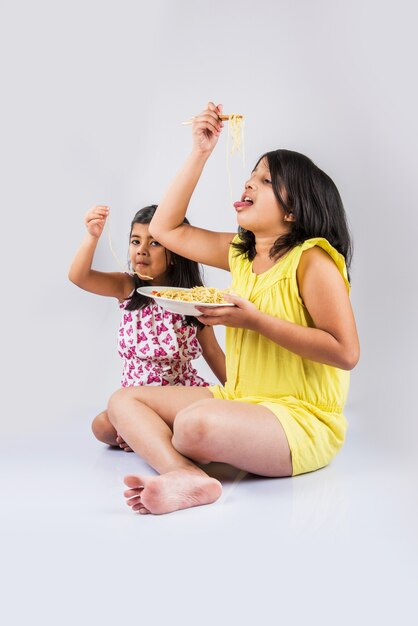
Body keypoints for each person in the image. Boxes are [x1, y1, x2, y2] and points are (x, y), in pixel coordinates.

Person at [106, 102, 360, 515]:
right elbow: (165, 229)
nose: (248, 184)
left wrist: (254, 321)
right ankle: (186, 476)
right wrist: (200, 151)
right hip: (241, 399)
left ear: (292, 211)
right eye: (250, 176)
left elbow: (346, 353)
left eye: (265, 180)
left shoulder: (312, 260)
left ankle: (182, 454)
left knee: (191, 426)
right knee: (123, 402)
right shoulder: (241, 254)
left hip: (303, 419)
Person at [68, 204, 226, 451]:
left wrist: (244, 394)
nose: (141, 250)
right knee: (102, 426)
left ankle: (148, 436)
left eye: (154, 243)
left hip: (180, 395)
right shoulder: (126, 287)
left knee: (212, 414)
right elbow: (80, 277)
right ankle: (153, 432)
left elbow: (213, 352)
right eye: (135, 241)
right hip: (134, 401)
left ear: (174, 251)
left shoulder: (192, 299)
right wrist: (92, 236)